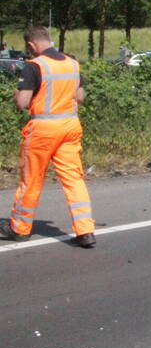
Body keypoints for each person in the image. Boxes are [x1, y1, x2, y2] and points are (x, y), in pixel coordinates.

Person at [0, 26, 96, 247]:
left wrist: (17, 93)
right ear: (49, 40)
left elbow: (22, 103)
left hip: (43, 130)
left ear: (32, 45)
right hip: (70, 125)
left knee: (32, 179)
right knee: (73, 178)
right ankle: (85, 231)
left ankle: (20, 228)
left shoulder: (35, 66)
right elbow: (79, 97)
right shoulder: (72, 63)